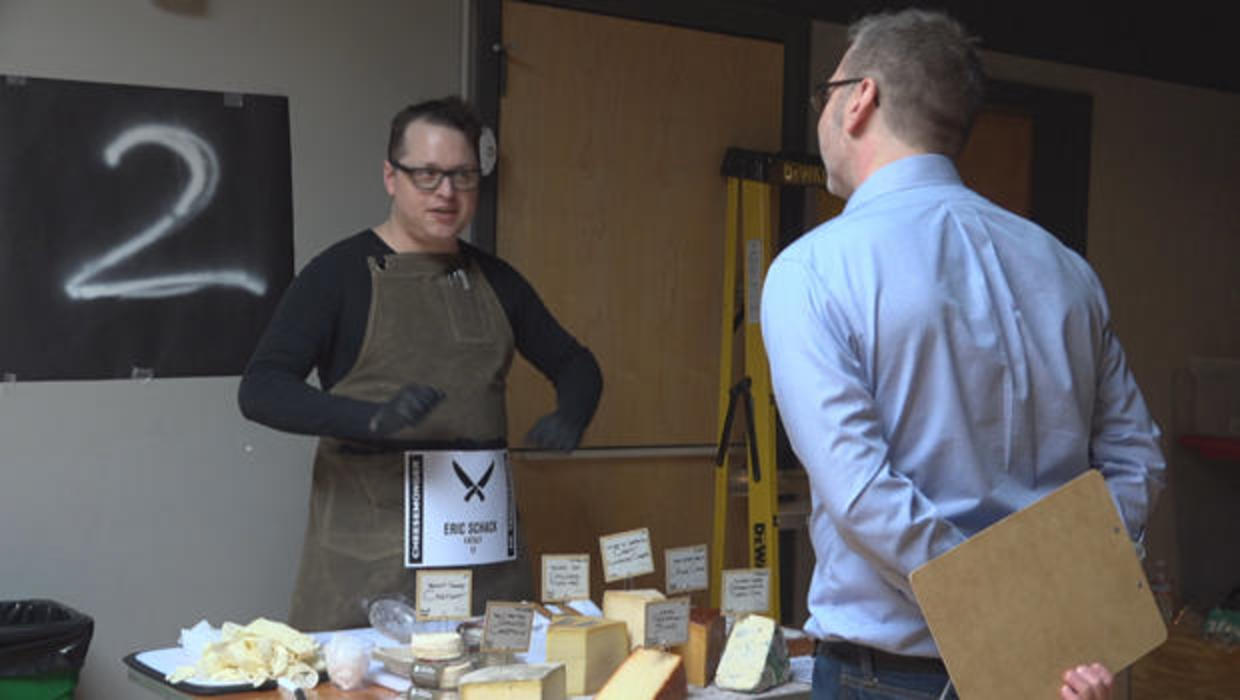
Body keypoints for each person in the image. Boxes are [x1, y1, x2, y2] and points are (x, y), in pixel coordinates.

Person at [759, 10, 1164, 700]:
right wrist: (1054, 596)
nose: (823, 113)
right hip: (1051, 666)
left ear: (859, 100)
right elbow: (1137, 460)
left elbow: (862, 496)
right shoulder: (1065, 270)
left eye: (825, 95)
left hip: (887, 678)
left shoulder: (815, 270)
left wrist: (994, 606)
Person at [238, 96, 602, 631]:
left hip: (485, 565)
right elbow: (262, 388)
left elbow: (576, 362)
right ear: (391, 176)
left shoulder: (498, 282)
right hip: (371, 563)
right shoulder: (339, 275)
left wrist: (573, 412)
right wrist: (367, 419)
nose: (447, 193)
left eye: (463, 176)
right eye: (427, 175)